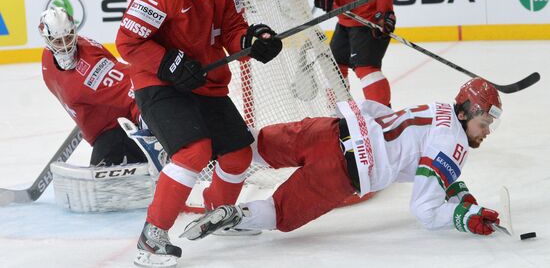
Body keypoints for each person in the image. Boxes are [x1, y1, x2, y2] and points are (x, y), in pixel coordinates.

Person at [115, 0, 283, 267]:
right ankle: (152, 236)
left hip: (205, 83)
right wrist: (168, 62)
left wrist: (251, 40)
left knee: (238, 154)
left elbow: (233, 29)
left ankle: (216, 214)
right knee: (194, 151)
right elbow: (127, 42)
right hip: (160, 85)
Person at [183, 77, 504, 242]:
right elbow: (425, 210)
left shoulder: (441, 110)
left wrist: (455, 190)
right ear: (464, 114)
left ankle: (194, 138)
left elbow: (422, 155)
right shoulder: (454, 145)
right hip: (343, 171)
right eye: (484, 124)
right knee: (280, 214)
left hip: (329, 130)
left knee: (254, 144)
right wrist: (463, 215)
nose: (486, 132)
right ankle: (234, 215)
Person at [39, 7, 147, 167]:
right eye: (57, 41)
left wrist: (146, 124)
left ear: (74, 32)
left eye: (68, 37)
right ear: (47, 40)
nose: (65, 45)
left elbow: (131, 87)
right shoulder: (48, 58)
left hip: (118, 129)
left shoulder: (93, 67)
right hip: (104, 124)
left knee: (99, 189)